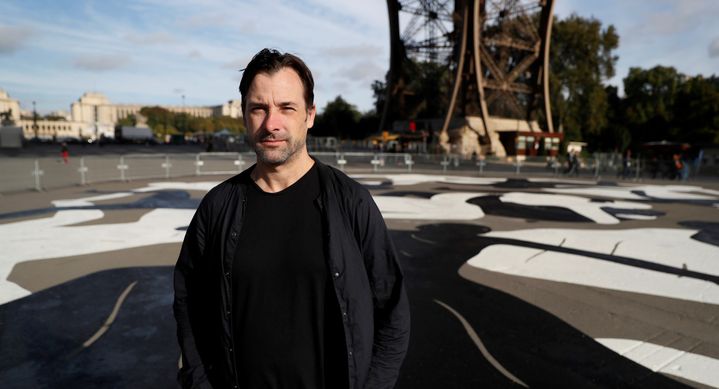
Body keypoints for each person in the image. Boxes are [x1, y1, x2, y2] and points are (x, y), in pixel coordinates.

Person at [173, 48, 410, 389]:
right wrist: (200, 382)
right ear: (244, 115)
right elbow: (188, 304)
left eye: (287, 108)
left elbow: (393, 309)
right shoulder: (217, 208)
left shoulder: (351, 202)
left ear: (309, 115)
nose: (272, 124)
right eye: (259, 108)